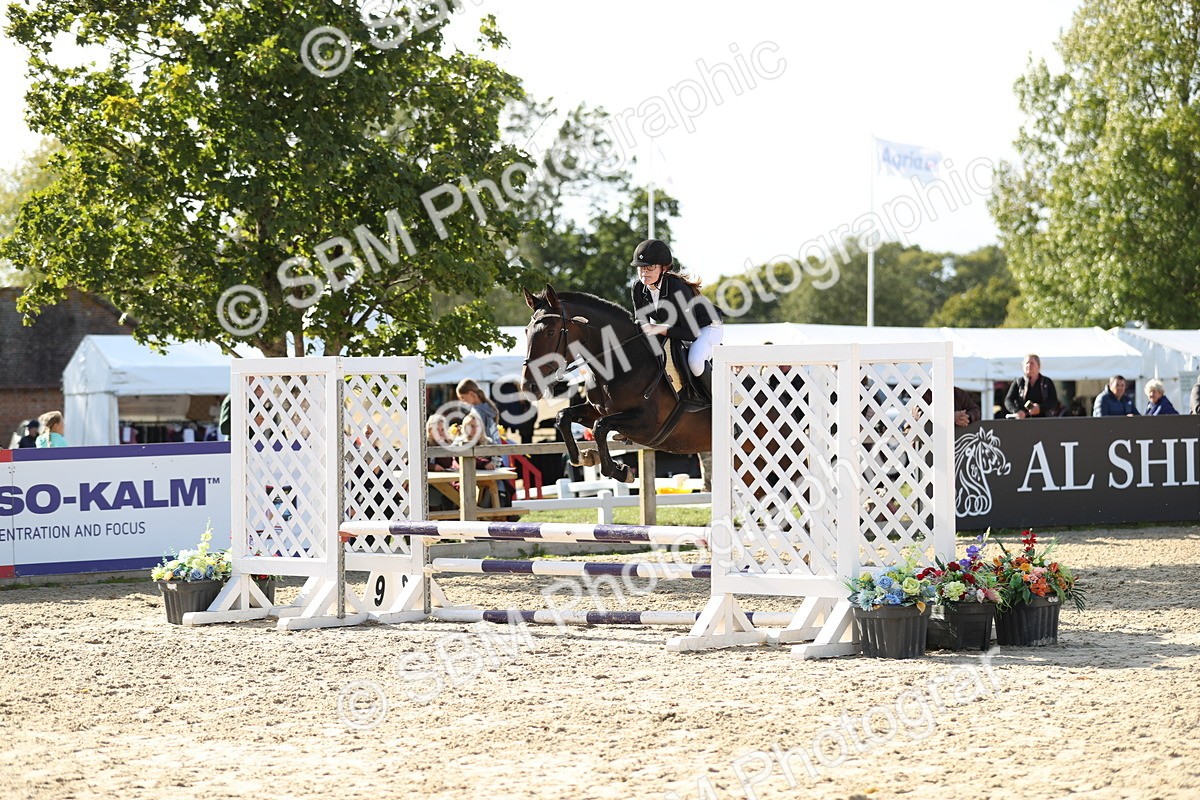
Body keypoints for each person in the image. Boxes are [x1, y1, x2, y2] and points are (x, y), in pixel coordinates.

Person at [629, 238, 723, 402]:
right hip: (678, 328)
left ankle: (719, 403)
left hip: (706, 327)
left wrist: (657, 328)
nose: (644, 272)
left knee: (695, 362)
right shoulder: (638, 287)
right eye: (641, 268)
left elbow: (691, 334)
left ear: (663, 268)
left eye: (650, 267)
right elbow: (641, 324)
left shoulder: (676, 287)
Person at [1004, 354, 1058, 419]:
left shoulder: (1047, 382)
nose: (1029, 365)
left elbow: (1053, 401)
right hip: (1022, 421)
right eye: (1026, 363)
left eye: (1032, 363)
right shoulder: (1018, 382)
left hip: (1043, 421)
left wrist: (1040, 408)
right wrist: (1017, 411)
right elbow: (1008, 400)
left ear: (1038, 366)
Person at [456, 379, 501, 444]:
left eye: (463, 397)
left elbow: (478, 433)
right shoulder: (487, 406)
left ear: (471, 394)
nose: (463, 401)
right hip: (495, 445)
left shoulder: (478, 411)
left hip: (487, 448)